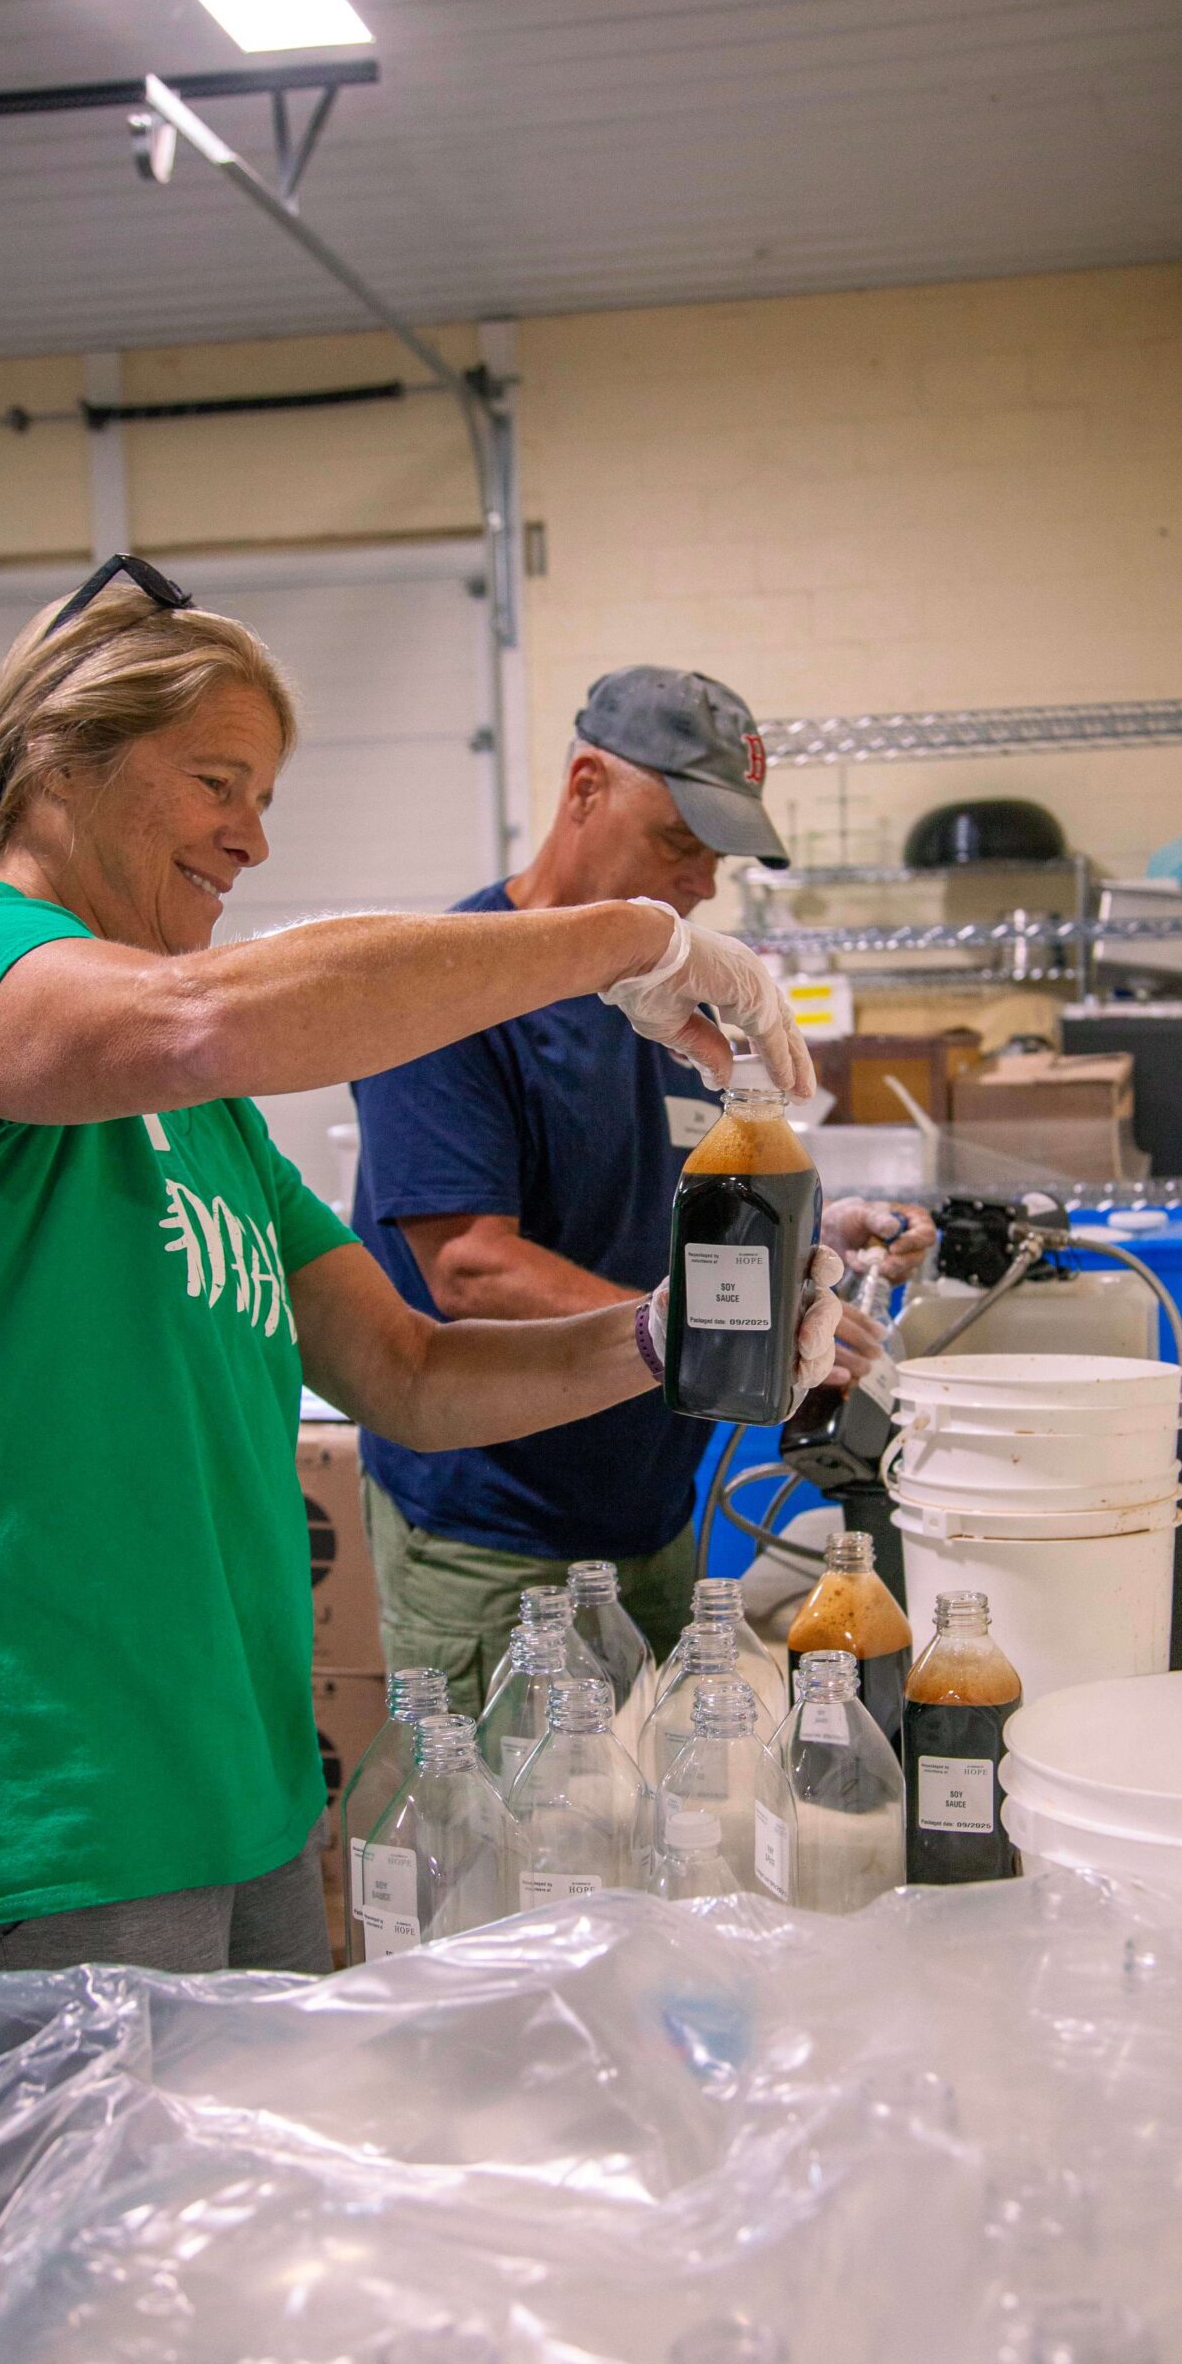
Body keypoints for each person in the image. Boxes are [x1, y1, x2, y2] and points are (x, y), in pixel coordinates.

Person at [0, 566, 842, 1996]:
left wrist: (660, 1335)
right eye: (217, 781)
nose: (252, 839)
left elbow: (409, 1373)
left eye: (264, 796)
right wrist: (634, 936)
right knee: (59, 2220)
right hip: (44, 1807)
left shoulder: (209, 1132)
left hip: (242, 1794)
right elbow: (199, 1022)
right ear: (56, 762)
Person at [352, 665, 936, 1700]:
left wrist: (811, 1235)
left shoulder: (673, 1001)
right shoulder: (448, 994)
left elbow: (688, 1214)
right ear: (585, 787)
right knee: (504, 1841)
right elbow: (473, 1271)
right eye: (678, 841)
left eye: (717, 855)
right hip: (499, 1538)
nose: (703, 882)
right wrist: (726, 1330)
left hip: (655, 1515)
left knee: (659, 1826)